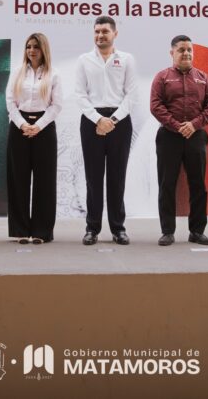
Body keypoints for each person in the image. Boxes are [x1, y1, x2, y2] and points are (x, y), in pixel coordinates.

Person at [150, 35, 208, 246]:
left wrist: (194, 124)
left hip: (195, 137)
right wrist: (176, 125)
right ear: (172, 53)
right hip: (169, 136)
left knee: (198, 184)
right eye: (181, 50)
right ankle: (168, 231)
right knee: (167, 184)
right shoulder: (162, 77)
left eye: (189, 49)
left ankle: (197, 231)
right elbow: (156, 105)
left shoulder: (203, 78)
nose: (186, 53)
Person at [74, 16, 137, 246]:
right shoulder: (84, 60)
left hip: (120, 122)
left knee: (117, 177)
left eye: (105, 32)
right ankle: (92, 228)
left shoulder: (127, 59)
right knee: (93, 177)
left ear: (115, 34)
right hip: (92, 121)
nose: (100, 35)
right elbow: (80, 95)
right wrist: (99, 119)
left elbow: (131, 95)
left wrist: (112, 119)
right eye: (97, 31)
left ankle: (118, 228)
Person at [5, 32, 62, 244]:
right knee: (18, 179)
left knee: (44, 181)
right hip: (19, 126)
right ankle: (20, 230)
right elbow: (10, 102)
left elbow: (57, 105)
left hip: (44, 128)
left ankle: (41, 231)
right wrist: (23, 125)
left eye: (36, 47)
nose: (31, 51)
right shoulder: (18, 72)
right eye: (28, 46)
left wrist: (37, 126)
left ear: (43, 49)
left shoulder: (53, 74)